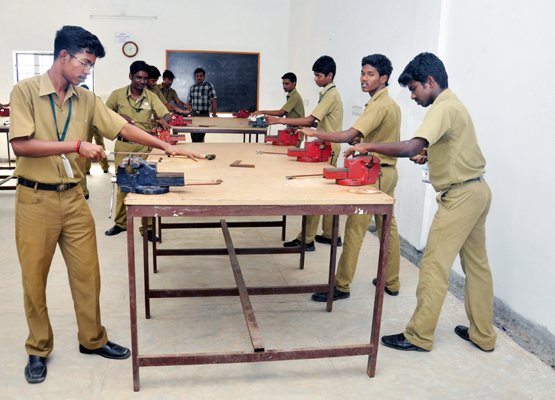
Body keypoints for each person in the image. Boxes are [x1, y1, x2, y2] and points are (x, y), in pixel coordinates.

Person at [8, 25, 202, 385]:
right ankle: (38, 347)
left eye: (91, 66)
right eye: (83, 62)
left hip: (74, 197)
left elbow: (123, 128)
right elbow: (21, 144)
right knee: (34, 279)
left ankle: (92, 339)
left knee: (88, 275)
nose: (86, 71)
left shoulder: (87, 99)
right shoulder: (26, 92)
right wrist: (76, 145)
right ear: (63, 56)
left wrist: (168, 147)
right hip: (35, 199)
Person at [345, 52, 496, 353]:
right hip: (477, 190)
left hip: (461, 198)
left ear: (430, 81)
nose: (413, 96)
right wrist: (428, 155)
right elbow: (450, 146)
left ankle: (418, 335)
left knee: (433, 264)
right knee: (477, 267)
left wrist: (368, 144)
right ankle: (483, 334)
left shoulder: (442, 107)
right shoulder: (454, 104)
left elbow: (413, 144)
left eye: (414, 89)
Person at [298, 54, 402, 302]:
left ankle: (341, 286)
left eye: (371, 74)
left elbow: (348, 134)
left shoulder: (379, 104)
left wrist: (316, 133)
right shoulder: (389, 104)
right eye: (363, 73)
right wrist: (362, 142)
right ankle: (392, 280)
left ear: (384, 79)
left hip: (374, 172)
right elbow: (370, 136)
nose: (364, 79)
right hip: (386, 171)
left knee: (355, 229)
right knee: (389, 226)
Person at [266, 55, 343, 252]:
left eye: (318, 76)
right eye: (314, 75)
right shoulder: (327, 94)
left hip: (329, 146)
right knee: (327, 192)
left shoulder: (330, 95)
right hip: (327, 144)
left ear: (329, 75)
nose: (316, 79)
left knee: (317, 192)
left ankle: (307, 239)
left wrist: (280, 121)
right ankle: (330, 234)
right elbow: (318, 122)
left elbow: (309, 120)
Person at [104, 60, 172, 241]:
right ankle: (120, 224)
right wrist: (119, 116)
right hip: (123, 146)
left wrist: (164, 119)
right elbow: (103, 113)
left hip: (145, 148)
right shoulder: (117, 95)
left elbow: (166, 113)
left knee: (146, 185)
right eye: (138, 77)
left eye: (144, 78)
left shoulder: (151, 97)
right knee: (123, 184)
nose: (141, 81)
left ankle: (147, 228)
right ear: (130, 76)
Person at [186, 67, 218, 142]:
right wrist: (187, 112)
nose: (199, 78)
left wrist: (214, 114)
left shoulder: (209, 86)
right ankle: (195, 152)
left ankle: (200, 152)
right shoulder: (192, 88)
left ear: (204, 77)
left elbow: (213, 100)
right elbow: (189, 102)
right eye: (197, 76)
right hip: (194, 114)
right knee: (194, 137)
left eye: (201, 76)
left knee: (200, 137)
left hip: (204, 115)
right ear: (195, 77)